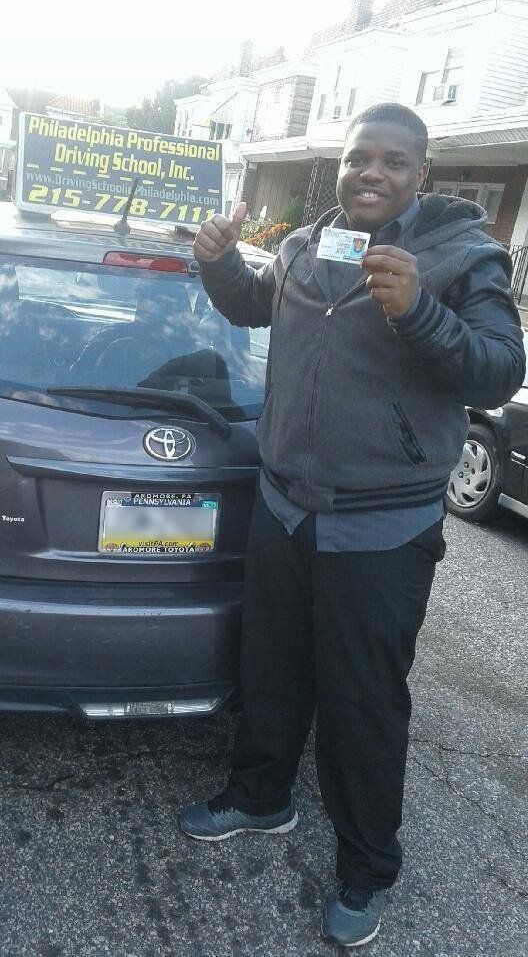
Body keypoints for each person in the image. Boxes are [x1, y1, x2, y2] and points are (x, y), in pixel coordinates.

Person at [179, 103, 525, 948]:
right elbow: (258, 305)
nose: (372, 172)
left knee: (362, 701)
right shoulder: (310, 242)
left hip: (382, 529)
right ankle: (262, 796)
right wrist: (221, 269)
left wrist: (422, 312)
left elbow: (500, 366)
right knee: (271, 668)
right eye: (358, 157)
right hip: (286, 506)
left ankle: (369, 865)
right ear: (337, 167)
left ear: (421, 175)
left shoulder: (461, 255)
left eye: (393, 161)